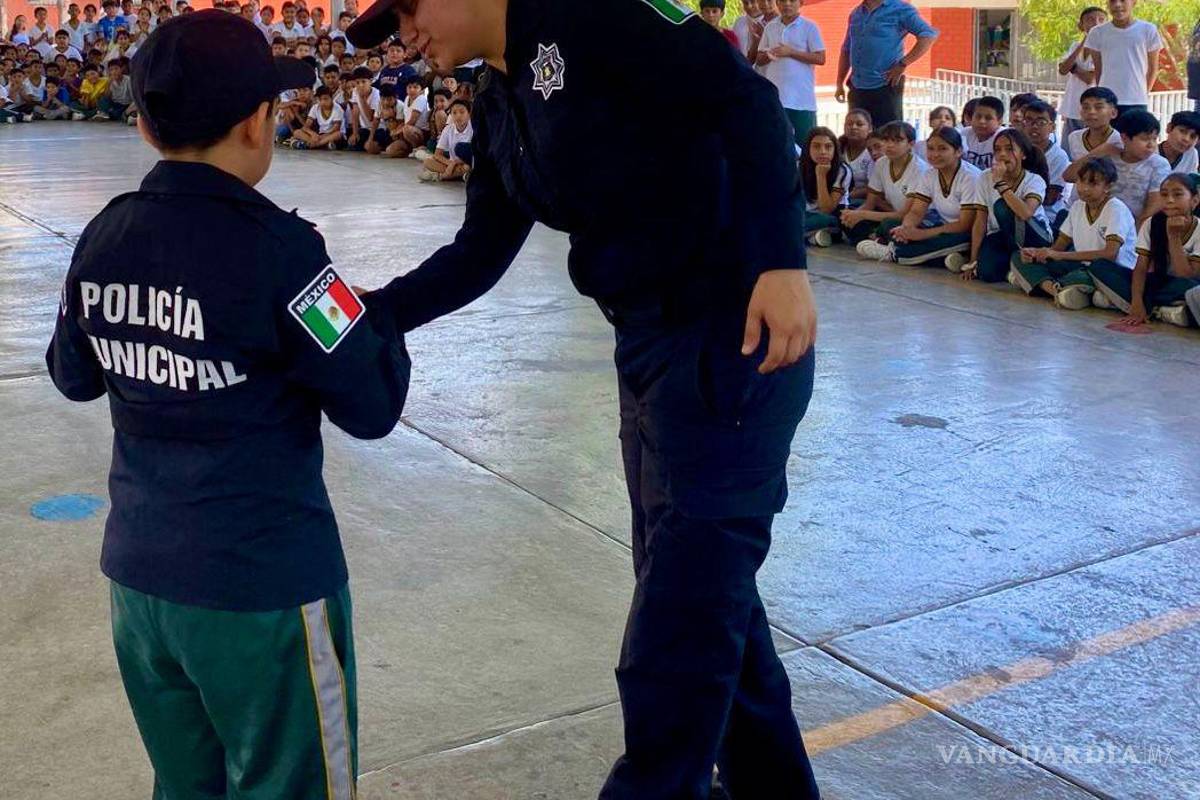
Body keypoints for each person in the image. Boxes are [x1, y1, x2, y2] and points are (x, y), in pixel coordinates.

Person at [345, 0, 820, 797]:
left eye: (410, 8)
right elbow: (480, 249)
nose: (404, 32)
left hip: (733, 336)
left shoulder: (596, 14)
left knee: (677, 634)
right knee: (706, 609)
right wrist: (377, 314)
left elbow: (745, 99)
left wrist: (783, 261)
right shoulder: (498, 99)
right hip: (646, 351)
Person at [45, 11, 410, 799]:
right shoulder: (285, 253)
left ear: (142, 126)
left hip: (143, 591)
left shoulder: (101, 238)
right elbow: (375, 402)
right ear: (257, 122)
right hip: (261, 591)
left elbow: (73, 375)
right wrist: (370, 314)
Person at [1013, 158, 1135, 309]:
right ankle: (1057, 290)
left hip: (1109, 272)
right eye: (1081, 181)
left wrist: (1059, 255)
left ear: (1108, 187)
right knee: (1018, 257)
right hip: (1081, 265)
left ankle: (1043, 284)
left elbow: (1110, 254)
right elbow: (1058, 248)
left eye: (1093, 183)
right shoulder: (1077, 207)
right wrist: (1038, 254)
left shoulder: (1116, 209)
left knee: (1085, 274)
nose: (1084, 188)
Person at [861, 126, 979, 267]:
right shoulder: (930, 174)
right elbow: (916, 211)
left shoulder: (969, 177)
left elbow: (964, 225)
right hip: (942, 226)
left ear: (958, 151)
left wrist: (922, 235)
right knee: (890, 225)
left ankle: (896, 254)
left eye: (942, 149)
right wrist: (906, 229)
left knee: (925, 244)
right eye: (930, 148)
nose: (935, 154)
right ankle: (946, 258)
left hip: (966, 232)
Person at [1092, 173, 1200, 327]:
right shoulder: (1152, 223)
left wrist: (1173, 237)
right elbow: (1141, 267)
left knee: (1190, 288)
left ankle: (1118, 301)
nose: (1169, 200)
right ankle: (1157, 310)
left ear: (1194, 200)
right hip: (1157, 283)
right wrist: (1137, 301)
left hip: (1181, 287)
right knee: (1100, 265)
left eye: (1177, 195)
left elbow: (1186, 276)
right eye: (1164, 195)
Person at [961, 127, 1052, 282]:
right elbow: (980, 221)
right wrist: (973, 259)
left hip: (1034, 236)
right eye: (997, 150)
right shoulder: (984, 177)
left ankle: (1022, 266)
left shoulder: (1034, 180)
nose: (1002, 154)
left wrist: (1000, 183)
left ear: (1022, 154)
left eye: (1009, 149)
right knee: (986, 274)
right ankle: (1014, 269)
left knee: (1001, 207)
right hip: (1001, 235)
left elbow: (1025, 213)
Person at [835, 0, 937, 126]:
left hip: (885, 85)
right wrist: (839, 82)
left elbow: (928, 35)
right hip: (857, 87)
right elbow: (846, 49)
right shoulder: (856, 13)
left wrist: (903, 63)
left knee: (888, 137)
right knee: (858, 136)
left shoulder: (900, 9)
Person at [842, 119, 925, 246]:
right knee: (847, 213)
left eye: (897, 140)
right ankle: (877, 240)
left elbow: (904, 215)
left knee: (889, 225)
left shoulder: (919, 169)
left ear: (911, 144)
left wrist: (862, 214)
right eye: (886, 140)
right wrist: (853, 215)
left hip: (914, 220)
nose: (890, 145)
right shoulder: (881, 163)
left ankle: (879, 241)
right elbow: (870, 204)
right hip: (891, 214)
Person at [757, 0, 823, 148]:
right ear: (777, 4)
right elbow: (759, 60)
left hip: (801, 101)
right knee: (776, 147)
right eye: (782, 1)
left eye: (792, 1)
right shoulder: (770, 27)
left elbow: (820, 58)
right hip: (775, 99)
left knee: (805, 147)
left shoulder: (809, 27)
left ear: (801, 3)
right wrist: (769, 54)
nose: (787, 4)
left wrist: (791, 52)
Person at [1083, 0, 1162, 117]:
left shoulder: (1148, 30)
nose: (1117, 5)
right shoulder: (1098, 32)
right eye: (1113, 1)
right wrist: (1102, 96)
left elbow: (1153, 68)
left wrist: (1143, 94)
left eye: (1123, 1)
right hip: (1107, 101)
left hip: (1137, 101)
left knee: (1135, 134)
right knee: (1107, 135)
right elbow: (1099, 69)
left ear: (1134, 2)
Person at [1108, 110, 1170, 229]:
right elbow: (1069, 176)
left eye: (1154, 139)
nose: (1151, 145)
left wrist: (1136, 231)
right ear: (1124, 138)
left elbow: (1155, 202)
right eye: (1145, 139)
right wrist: (1098, 152)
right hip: (1106, 222)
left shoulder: (1159, 164)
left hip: (1139, 226)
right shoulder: (1109, 159)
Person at [1021, 99, 1070, 227]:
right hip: (1018, 207)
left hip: (1046, 217)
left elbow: (1050, 199)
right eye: (1029, 120)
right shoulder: (1015, 149)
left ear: (1052, 127)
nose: (1034, 126)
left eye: (1041, 122)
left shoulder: (1058, 156)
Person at [798, 126, 851, 246]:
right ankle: (813, 237)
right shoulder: (798, 166)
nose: (823, 151)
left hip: (830, 216)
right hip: (806, 214)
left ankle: (812, 235)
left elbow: (826, 209)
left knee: (795, 228)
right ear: (808, 149)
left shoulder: (842, 170)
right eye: (816, 146)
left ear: (835, 149)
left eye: (828, 146)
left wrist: (820, 176)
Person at [1059, 6, 1106, 140]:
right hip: (1072, 106)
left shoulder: (1105, 49)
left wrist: (1073, 68)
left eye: (1101, 20)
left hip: (1093, 110)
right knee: (1068, 150)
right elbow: (1062, 69)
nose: (1096, 23)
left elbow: (1090, 78)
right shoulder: (1075, 46)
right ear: (1081, 25)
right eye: (1090, 20)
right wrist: (1084, 43)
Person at [1063, 86, 1121, 182]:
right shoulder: (1074, 137)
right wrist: (1100, 152)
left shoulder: (1119, 141)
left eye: (1098, 107)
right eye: (1086, 107)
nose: (1091, 112)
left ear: (1113, 113)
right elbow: (1069, 176)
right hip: (1079, 195)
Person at [419, 96, 473, 181]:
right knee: (427, 162)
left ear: (469, 114)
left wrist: (454, 163)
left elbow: (474, 154)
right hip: (452, 164)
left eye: (462, 112)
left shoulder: (474, 128)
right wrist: (450, 163)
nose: (458, 116)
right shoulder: (448, 129)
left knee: (467, 167)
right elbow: (437, 154)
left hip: (467, 163)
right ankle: (460, 175)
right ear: (450, 115)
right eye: (454, 113)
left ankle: (440, 176)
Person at [293, 83, 346, 149]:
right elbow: (306, 127)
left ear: (331, 98)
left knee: (338, 134)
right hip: (320, 136)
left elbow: (336, 129)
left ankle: (311, 145)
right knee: (297, 132)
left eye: (325, 99)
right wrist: (313, 134)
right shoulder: (315, 107)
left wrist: (320, 137)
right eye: (320, 99)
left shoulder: (338, 109)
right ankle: (322, 145)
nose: (323, 102)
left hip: (331, 135)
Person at [840, 107, 874, 203]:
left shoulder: (873, 153)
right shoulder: (837, 149)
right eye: (849, 124)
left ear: (870, 128)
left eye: (859, 124)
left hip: (865, 201)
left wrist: (847, 195)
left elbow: (875, 187)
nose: (853, 127)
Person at [962, 95, 1004, 170]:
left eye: (988, 118)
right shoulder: (963, 134)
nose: (981, 121)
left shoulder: (1004, 137)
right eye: (978, 116)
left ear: (1000, 122)